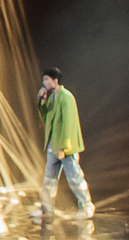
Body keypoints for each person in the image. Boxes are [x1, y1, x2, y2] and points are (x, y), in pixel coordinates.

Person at [35, 67, 95, 218]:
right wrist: (41, 101)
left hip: (64, 147)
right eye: (44, 80)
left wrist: (64, 147)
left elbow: (69, 124)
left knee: (75, 178)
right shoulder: (52, 98)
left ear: (55, 80)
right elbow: (45, 117)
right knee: (49, 180)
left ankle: (87, 207)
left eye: (47, 79)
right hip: (53, 145)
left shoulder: (66, 97)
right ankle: (46, 209)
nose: (44, 82)